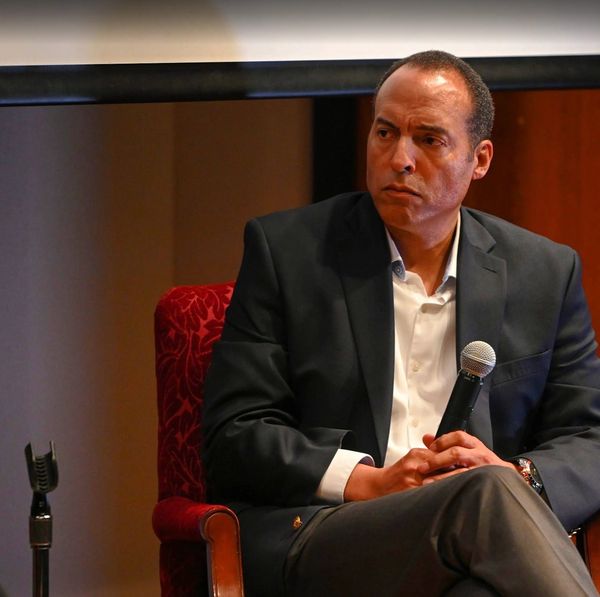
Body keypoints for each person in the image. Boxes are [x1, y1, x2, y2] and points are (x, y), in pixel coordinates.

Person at [203, 50, 600, 596]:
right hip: (325, 532)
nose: (400, 159)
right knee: (482, 495)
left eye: (429, 140)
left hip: (475, 543)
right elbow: (234, 435)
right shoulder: (288, 252)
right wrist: (368, 481)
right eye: (385, 133)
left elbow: (590, 438)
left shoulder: (544, 272)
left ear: (480, 159)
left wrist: (519, 477)